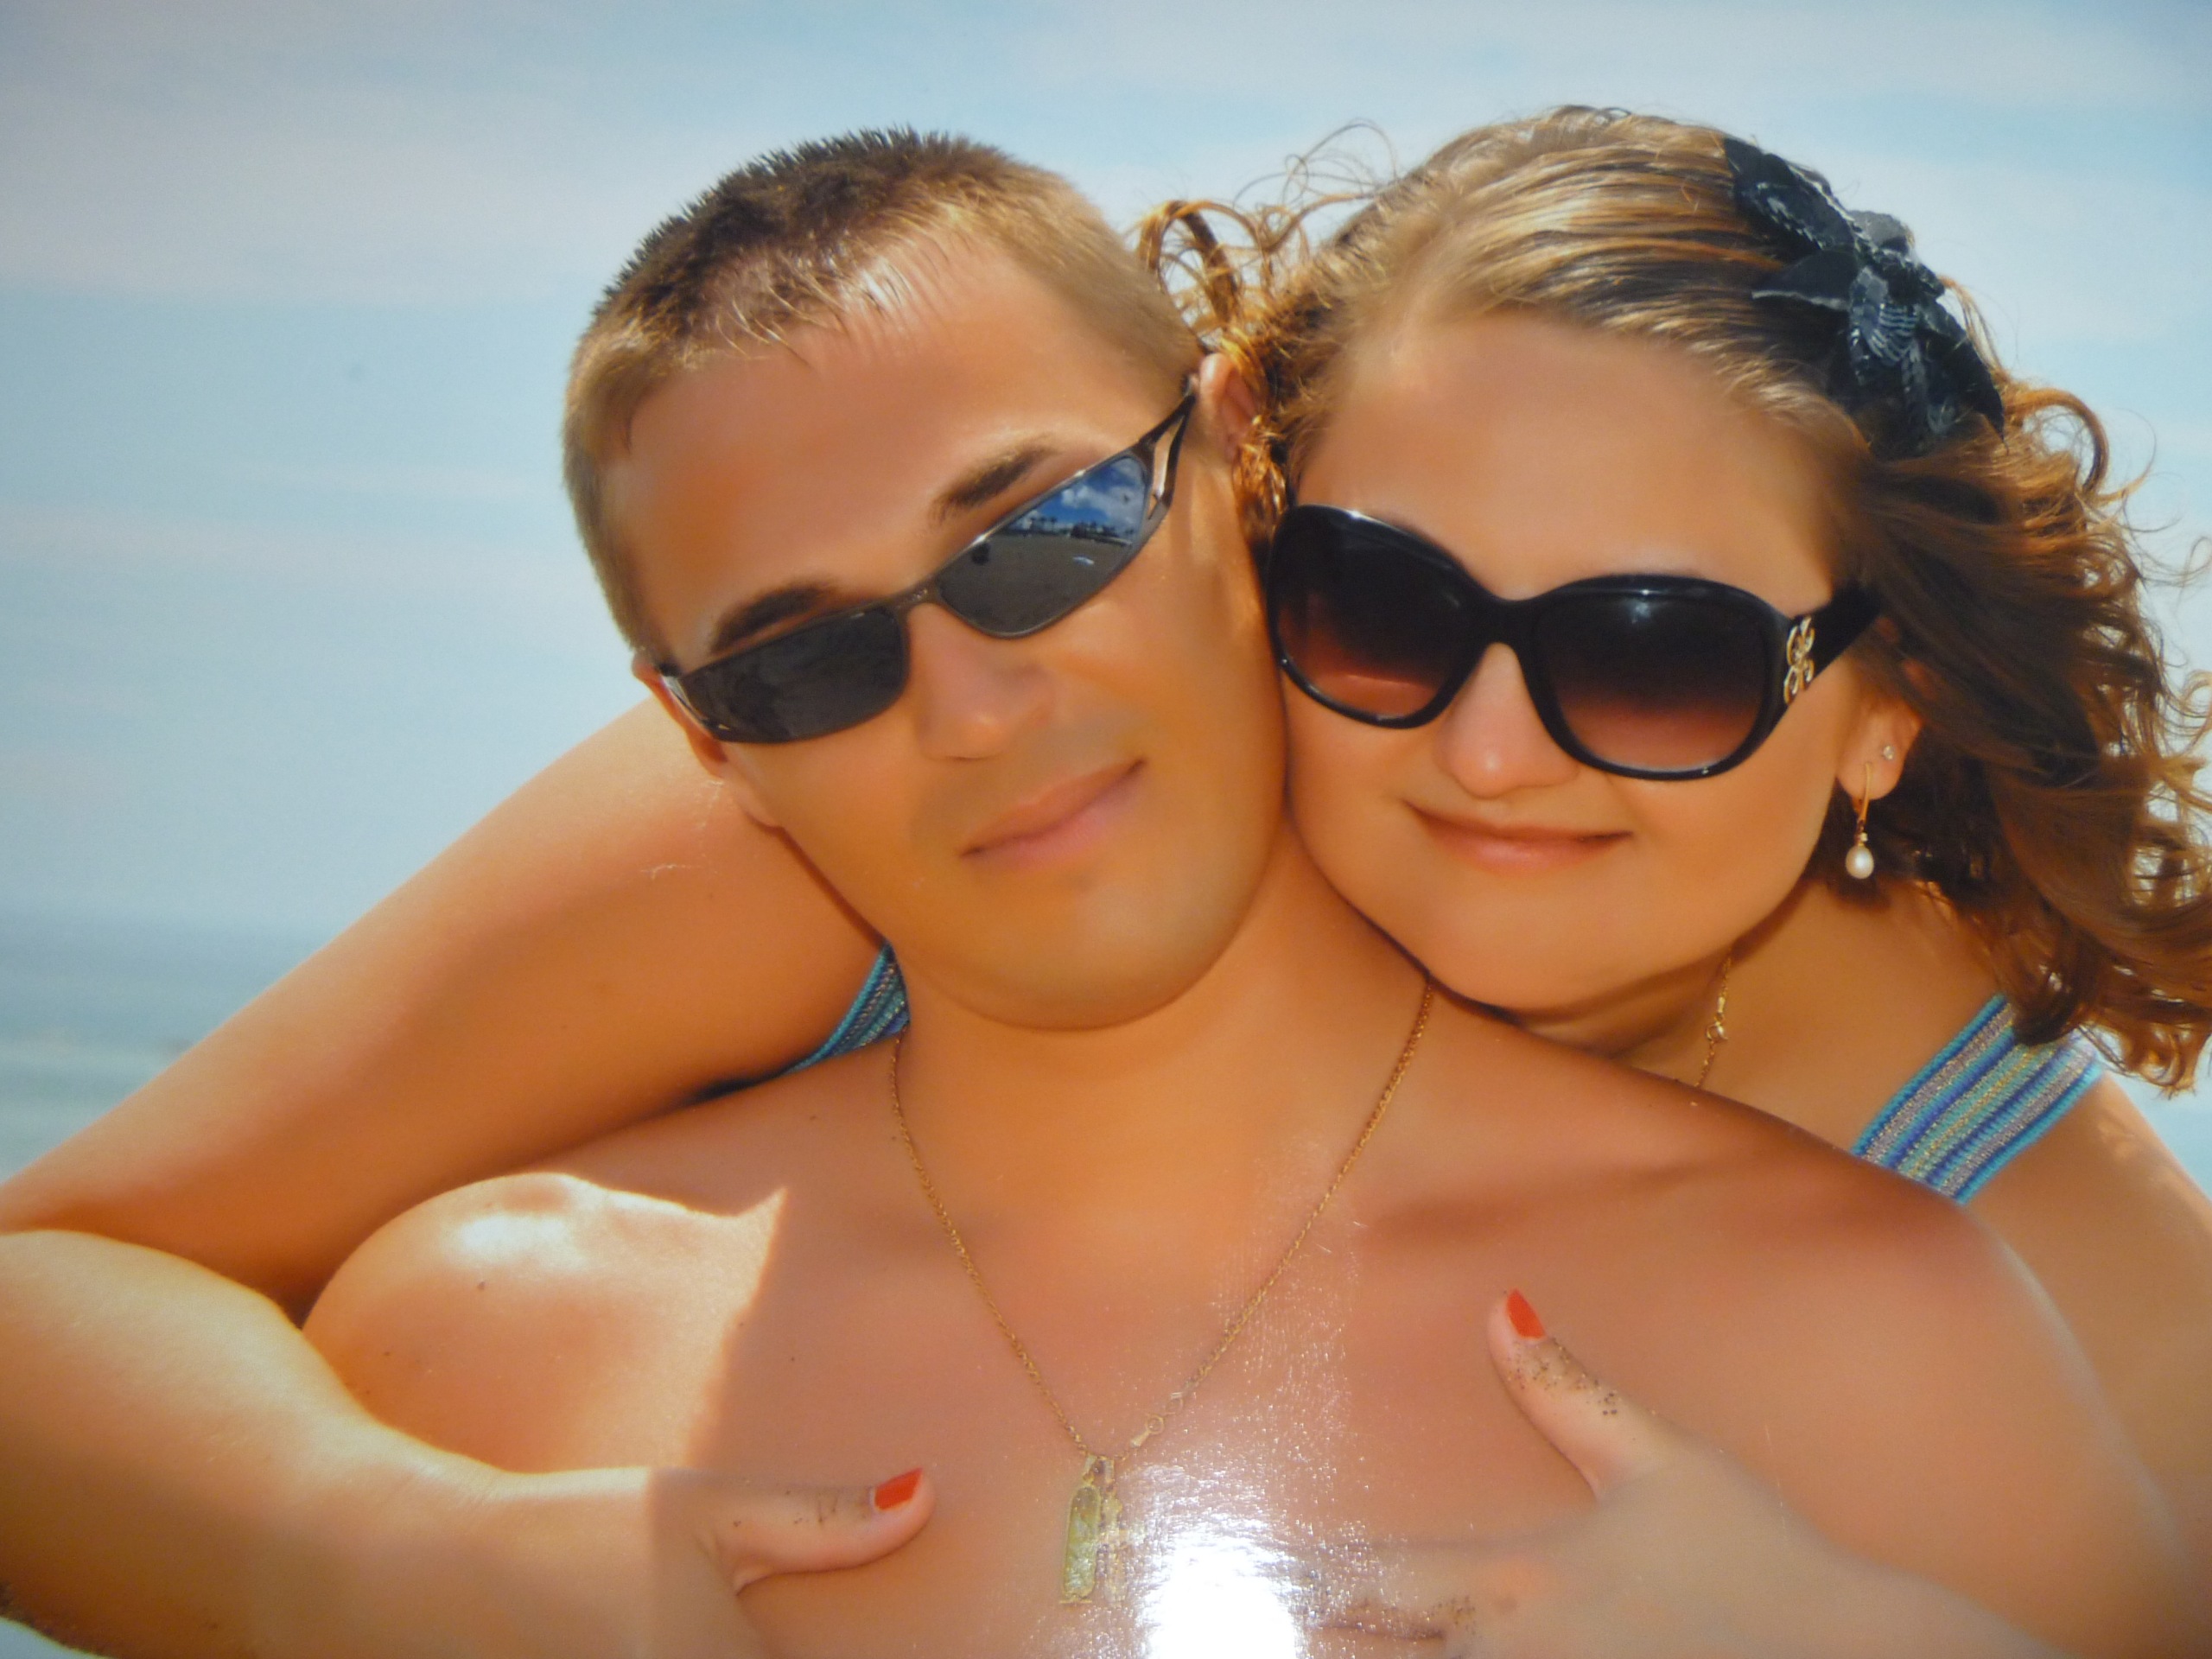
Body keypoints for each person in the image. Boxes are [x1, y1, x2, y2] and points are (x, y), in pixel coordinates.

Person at [0, 121, 2203, 1653]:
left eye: (1660, 658)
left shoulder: (1960, 1269)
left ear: (1877, 716)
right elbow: (57, 1288)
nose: (1488, 747)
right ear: (1257, 501)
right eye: (1382, 607)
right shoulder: (859, 825)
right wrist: (369, 1550)